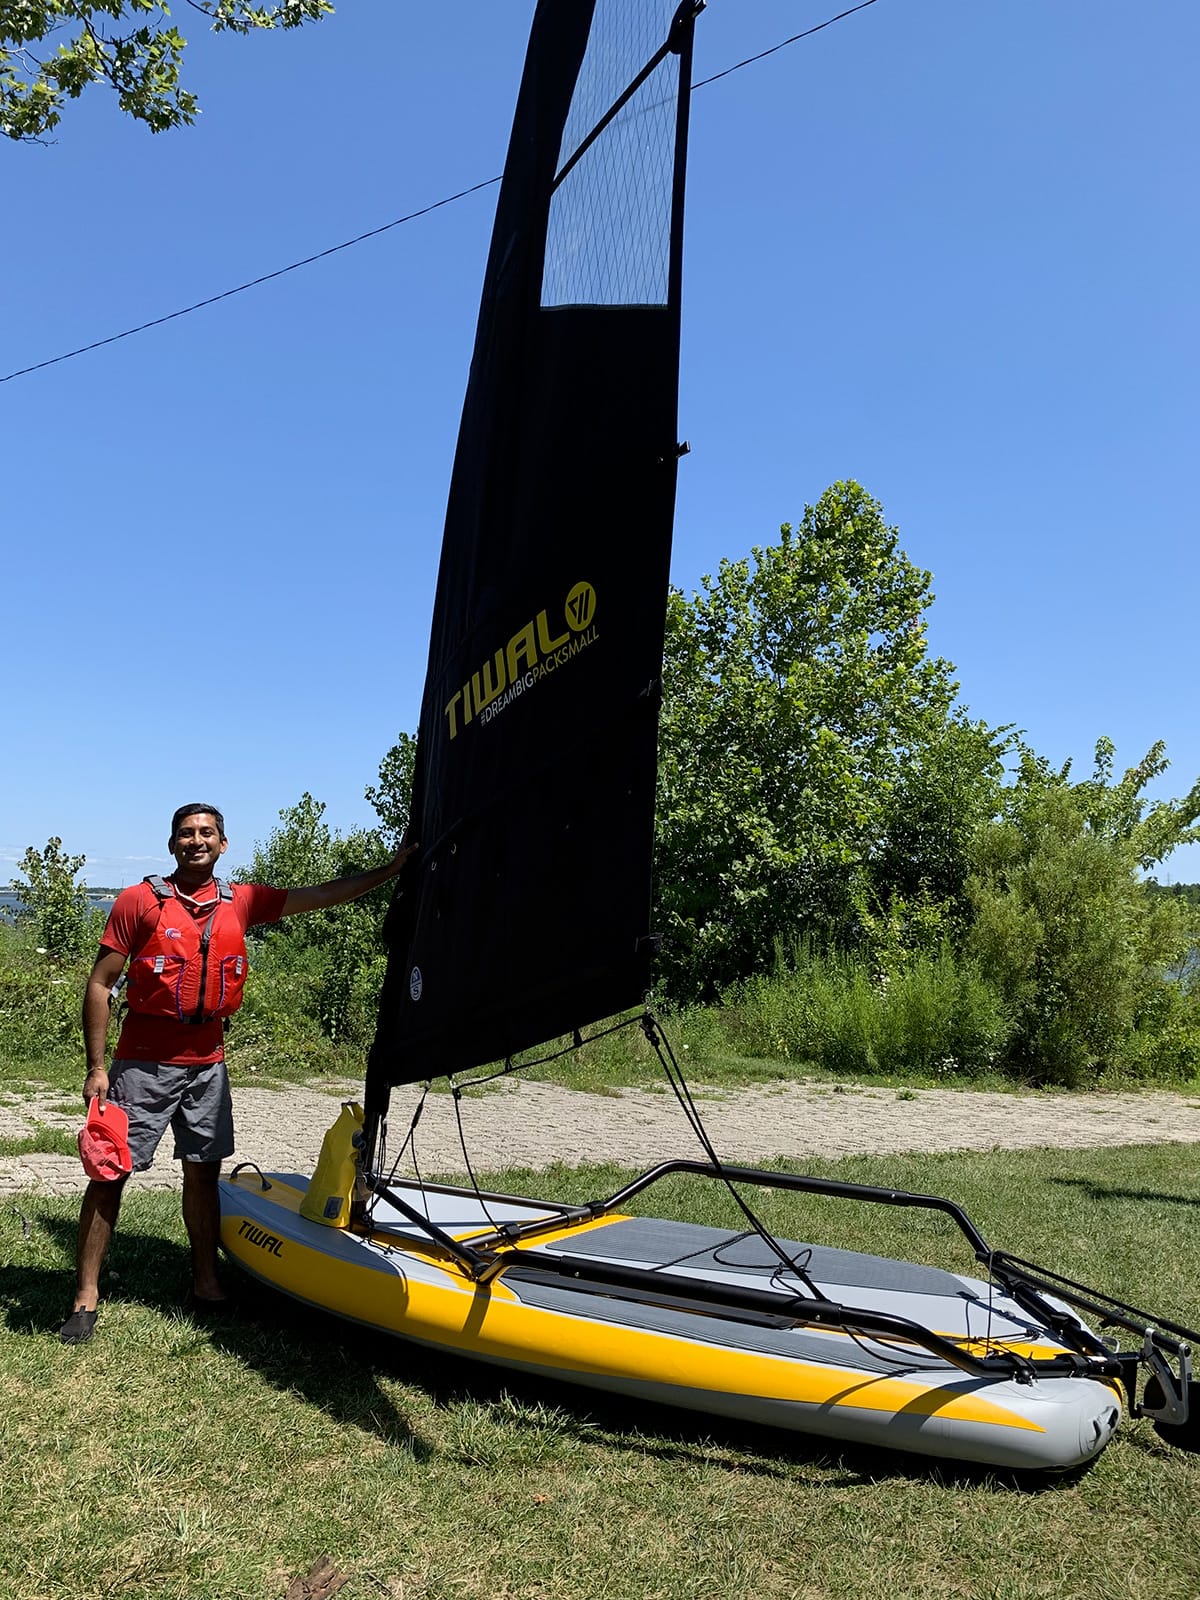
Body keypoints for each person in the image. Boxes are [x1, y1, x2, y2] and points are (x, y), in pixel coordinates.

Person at [58, 802, 417, 1345]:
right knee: (110, 1175)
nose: (196, 840)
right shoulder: (140, 902)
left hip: (209, 1068)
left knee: (204, 1173)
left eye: (206, 833)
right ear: (172, 843)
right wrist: (97, 1066)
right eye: (186, 833)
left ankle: (206, 1284)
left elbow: (320, 895)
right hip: (142, 1068)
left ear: (222, 845)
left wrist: (389, 871)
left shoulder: (242, 901)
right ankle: (85, 1297)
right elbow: (100, 984)